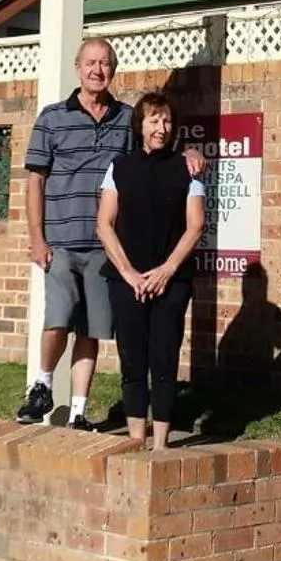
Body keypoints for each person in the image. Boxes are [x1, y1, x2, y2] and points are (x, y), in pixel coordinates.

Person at [18, 40, 201, 429]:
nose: (97, 70)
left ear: (113, 71)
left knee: (93, 327)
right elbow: (35, 181)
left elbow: (156, 147)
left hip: (108, 244)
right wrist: (37, 236)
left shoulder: (124, 118)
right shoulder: (52, 118)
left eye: (104, 63)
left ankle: (80, 411)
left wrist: (189, 154)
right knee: (59, 317)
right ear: (78, 68)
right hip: (63, 238)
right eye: (90, 63)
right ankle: (42, 385)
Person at [96, 91, 206, 451]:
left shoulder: (188, 167)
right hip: (126, 280)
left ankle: (160, 444)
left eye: (167, 121)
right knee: (132, 359)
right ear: (140, 125)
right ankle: (134, 440)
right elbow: (104, 224)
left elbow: (195, 226)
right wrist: (128, 273)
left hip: (171, 281)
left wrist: (166, 271)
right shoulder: (119, 167)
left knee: (163, 357)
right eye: (154, 120)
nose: (162, 128)